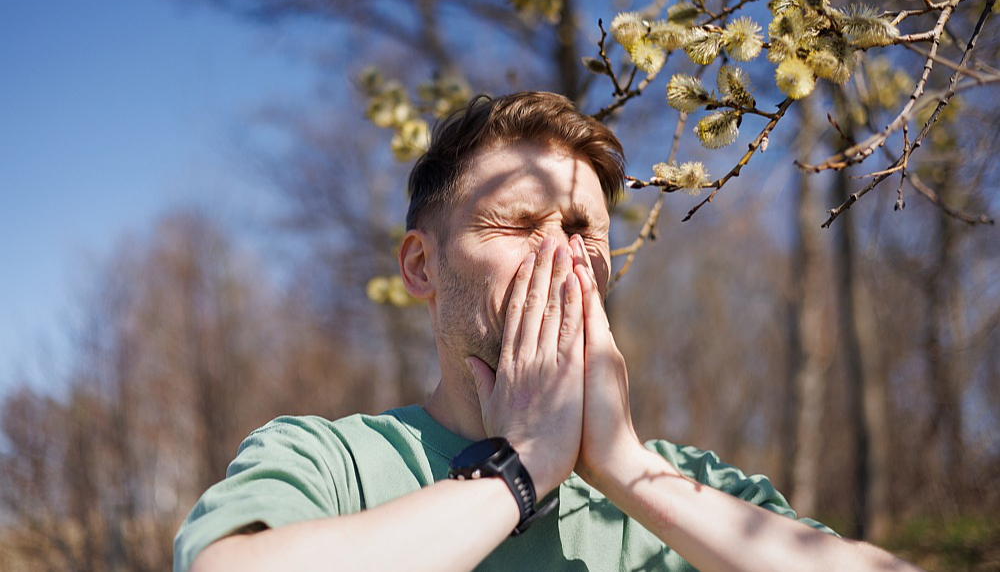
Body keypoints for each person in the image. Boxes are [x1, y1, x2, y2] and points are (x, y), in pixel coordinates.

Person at [175, 92, 921, 572]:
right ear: (421, 266)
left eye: (582, 231)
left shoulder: (691, 489)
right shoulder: (330, 462)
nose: (561, 253)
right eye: (520, 223)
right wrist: (518, 468)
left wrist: (625, 468)